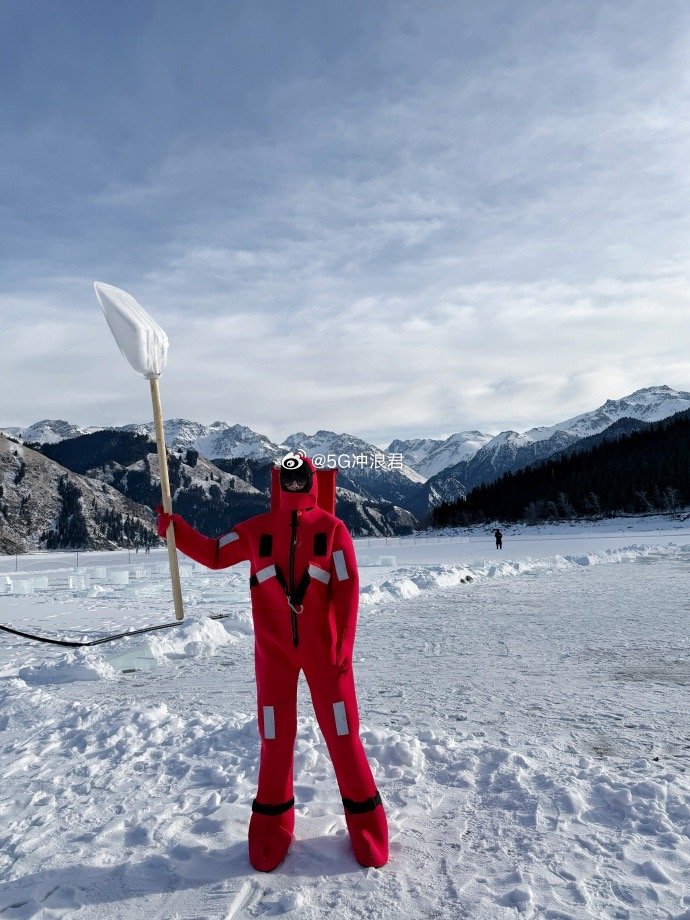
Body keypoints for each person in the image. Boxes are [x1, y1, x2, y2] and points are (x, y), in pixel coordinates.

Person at [157, 454, 388, 872]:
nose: (295, 485)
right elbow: (215, 552)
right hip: (274, 656)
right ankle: (272, 819)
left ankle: (365, 819)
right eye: (289, 478)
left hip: (326, 654)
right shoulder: (256, 530)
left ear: (312, 481)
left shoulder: (333, 530)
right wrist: (176, 530)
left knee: (342, 732)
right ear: (279, 482)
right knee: (275, 735)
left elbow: (348, 586)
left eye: (302, 479)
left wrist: (343, 645)